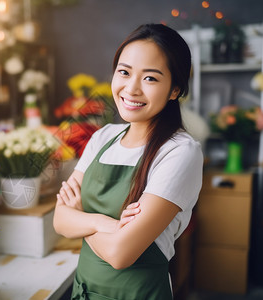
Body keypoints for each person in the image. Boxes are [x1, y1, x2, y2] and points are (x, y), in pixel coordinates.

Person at [53, 23, 204, 300]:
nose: (131, 89)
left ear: (175, 90)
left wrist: (82, 217)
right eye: (124, 72)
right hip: (83, 291)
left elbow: (120, 254)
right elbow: (60, 221)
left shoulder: (180, 152)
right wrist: (106, 223)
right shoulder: (103, 137)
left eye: (150, 78)